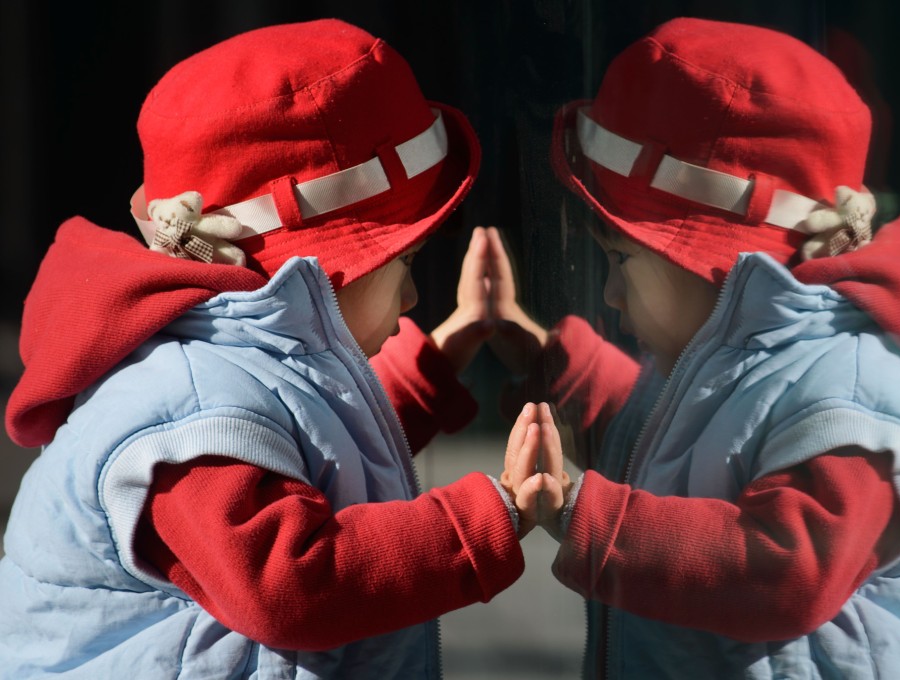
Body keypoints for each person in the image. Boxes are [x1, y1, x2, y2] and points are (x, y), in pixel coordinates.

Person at [0, 19, 544, 678]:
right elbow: (294, 587)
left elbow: (307, 442)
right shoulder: (186, 420)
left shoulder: (227, 358)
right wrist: (495, 513)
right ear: (316, 270)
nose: (409, 302)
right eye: (405, 263)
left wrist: (430, 369)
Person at [492, 17, 900, 678]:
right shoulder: (731, 354)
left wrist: (581, 514)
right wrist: (551, 363)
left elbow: (785, 569)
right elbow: (681, 444)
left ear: (719, 262)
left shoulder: (850, 399)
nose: (611, 297)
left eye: (620, 261)